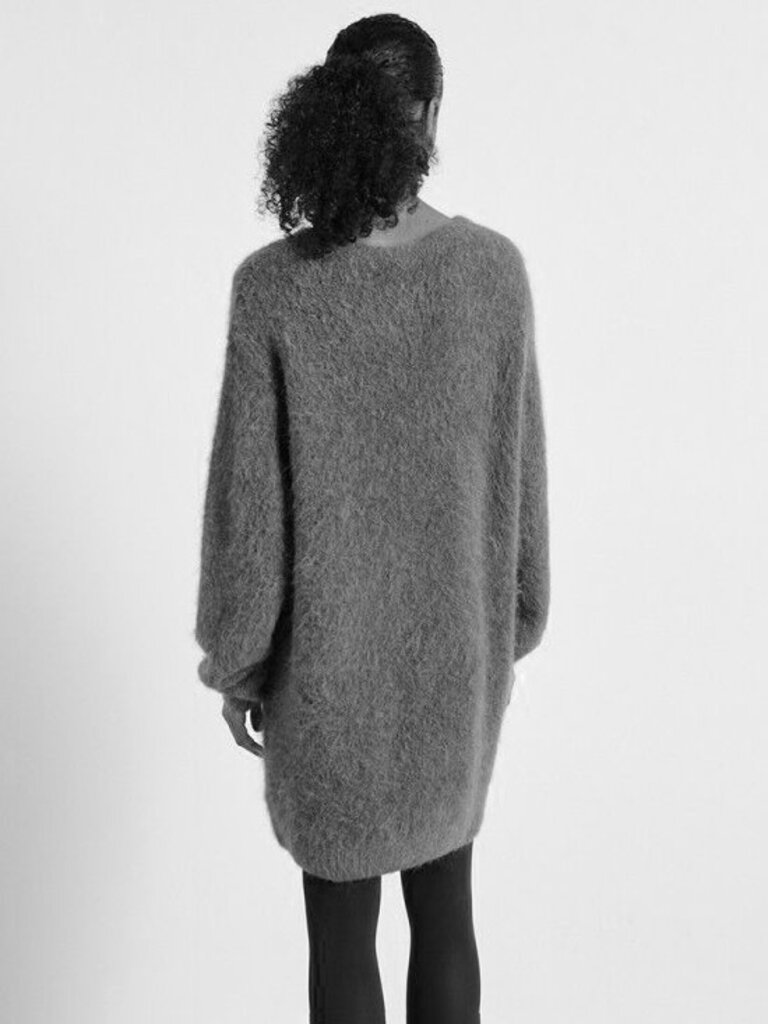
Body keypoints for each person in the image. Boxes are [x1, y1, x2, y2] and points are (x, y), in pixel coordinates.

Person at [193, 13, 550, 1023]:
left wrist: (239, 660)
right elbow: (522, 482)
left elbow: (249, 510)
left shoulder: (274, 288)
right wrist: (510, 627)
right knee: (448, 917)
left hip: (327, 676)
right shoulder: (493, 273)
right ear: (431, 115)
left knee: (339, 938)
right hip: (456, 663)